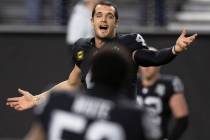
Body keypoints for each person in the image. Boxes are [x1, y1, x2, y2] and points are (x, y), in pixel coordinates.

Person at [6, 0, 197, 111]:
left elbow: (152, 58)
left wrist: (175, 49)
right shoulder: (82, 47)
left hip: (122, 120)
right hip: (94, 118)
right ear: (92, 21)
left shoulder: (128, 44)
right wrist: (37, 99)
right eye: (99, 15)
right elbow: (72, 83)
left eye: (109, 16)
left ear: (116, 23)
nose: (104, 19)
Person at [24, 47, 146, 140]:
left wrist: (37, 99)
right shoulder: (133, 116)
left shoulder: (56, 100)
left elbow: (35, 137)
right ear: (124, 78)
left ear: (92, 73)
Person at [137, 48, 189, 140]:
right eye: (144, 62)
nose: (147, 67)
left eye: (151, 63)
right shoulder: (131, 83)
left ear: (159, 64)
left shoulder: (169, 84)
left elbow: (182, 119)